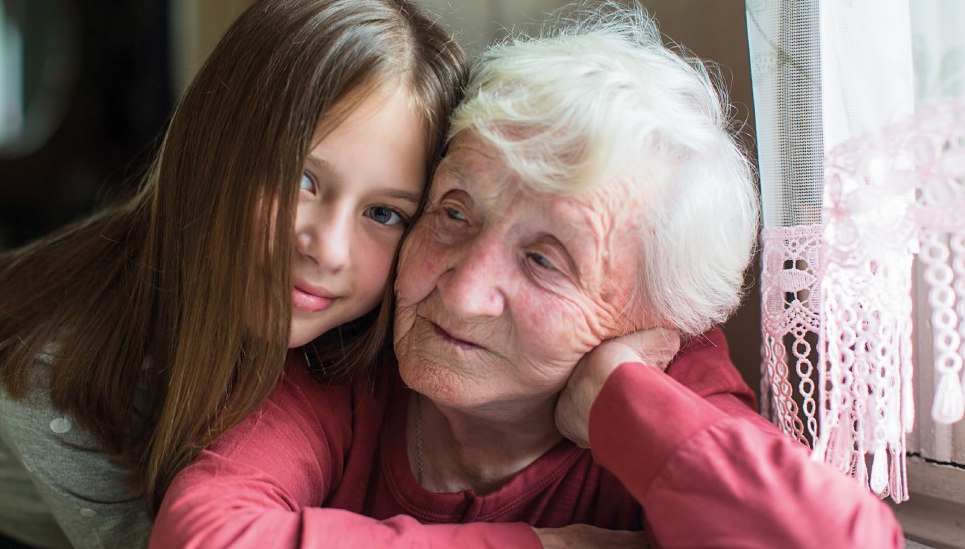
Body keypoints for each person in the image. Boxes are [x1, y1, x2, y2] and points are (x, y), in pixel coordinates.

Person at [151, 2, 904, 548]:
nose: (462, 288)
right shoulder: (346, 358)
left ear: (650, 321)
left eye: (545, 259)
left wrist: (618, 401)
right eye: (453, 212)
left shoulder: (665, 384)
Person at [0, 1, 465, 547]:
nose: (329, 251)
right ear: (214, 147)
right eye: (299, 178)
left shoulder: (372, 338)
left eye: (383, 213)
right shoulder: (55, 366)